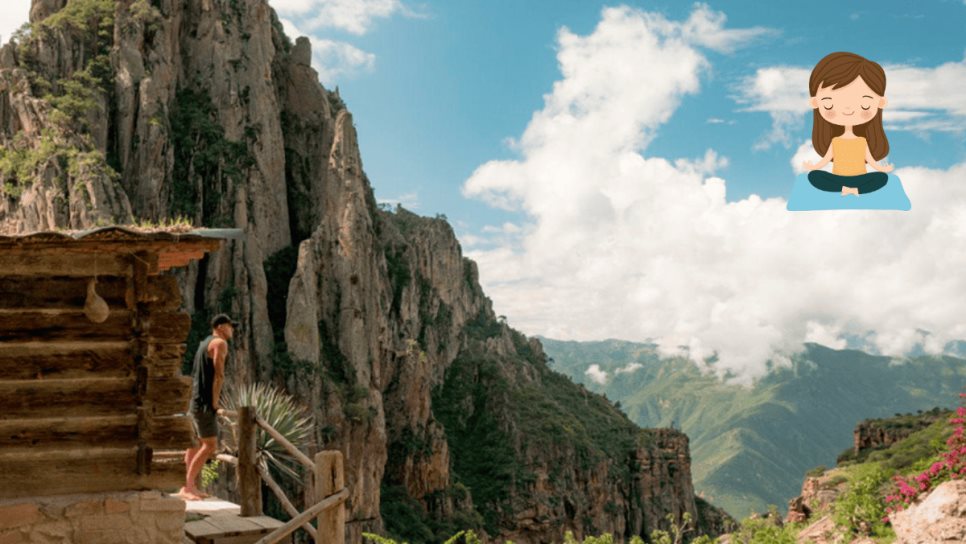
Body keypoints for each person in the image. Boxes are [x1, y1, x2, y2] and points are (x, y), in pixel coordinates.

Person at [801, 52, 895, 196]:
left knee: (881, 179)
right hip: (838, 179)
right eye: (829, 104)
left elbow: (870, 160)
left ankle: (856, 190)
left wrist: (881, 169)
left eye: (864, 104)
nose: (848, 109)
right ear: (815, 103)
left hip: (861, 179)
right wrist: (813, 166)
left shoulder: (863, 141)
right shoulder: (835, 141)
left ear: (880, 102)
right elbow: (826, 160)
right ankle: (844, 189)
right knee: (815, 177)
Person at [178, 313, 238, 501]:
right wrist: (215, 402)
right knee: (210, 445)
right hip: (204, 403)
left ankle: (188, 486)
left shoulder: (205, 343)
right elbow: (219, 375)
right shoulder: (220, 343)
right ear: (220, 327)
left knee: (195, 444)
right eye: (230, 326)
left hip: (195, 400)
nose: (232, 330)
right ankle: (187, 486)